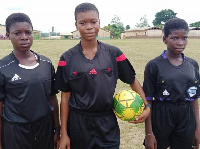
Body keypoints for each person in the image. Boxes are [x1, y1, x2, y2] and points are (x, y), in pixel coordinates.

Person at [55, 2, 150, 149]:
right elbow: (65, 97)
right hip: (78, 124)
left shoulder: (114, 53)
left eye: (93, 21)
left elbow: (132, 80)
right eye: (83, 22)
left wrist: (147, 106)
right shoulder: (66, 58)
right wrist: (64, 133)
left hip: (106, 122)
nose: (89, 26)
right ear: (76, 25)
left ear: (99, 22)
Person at [0, 13, 60, 149]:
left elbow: (53, 98)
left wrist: (57, 128)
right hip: (16, 131)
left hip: (44, 129)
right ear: (8, 35)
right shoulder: (3, 67)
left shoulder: (46, 63)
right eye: (17, 33)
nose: (24, 37)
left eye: (28, 32)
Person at [143, 18, 200, 149]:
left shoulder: (192, 65)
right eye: (174, 38)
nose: (180, 42)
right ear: (164, 39)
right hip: (161, 114)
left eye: (184, 38)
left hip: (186, 115)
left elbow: (195, 99)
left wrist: (197, 128)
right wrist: (149, 133)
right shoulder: (154, 65)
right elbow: (148, 101)